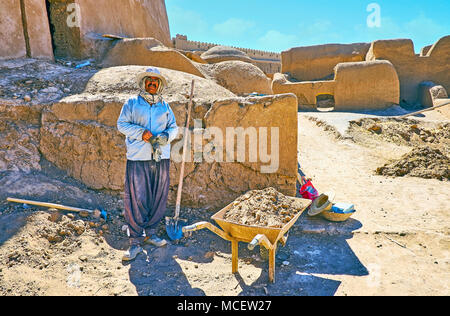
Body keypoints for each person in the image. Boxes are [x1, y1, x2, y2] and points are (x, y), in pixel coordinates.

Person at [117, 67, 179, 261]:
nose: (152, 84)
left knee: (158, 196)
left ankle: (151, 233)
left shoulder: (165, 106)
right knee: (136, 198)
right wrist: (141, 133)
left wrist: (167, 136)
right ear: (143, 84)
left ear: (159, 85)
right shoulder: (132, 103)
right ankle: (135, 241)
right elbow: (121, 124)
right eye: (148, 81)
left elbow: (174, 127)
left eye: (155, 81)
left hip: (160, 157)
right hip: (138, 157)